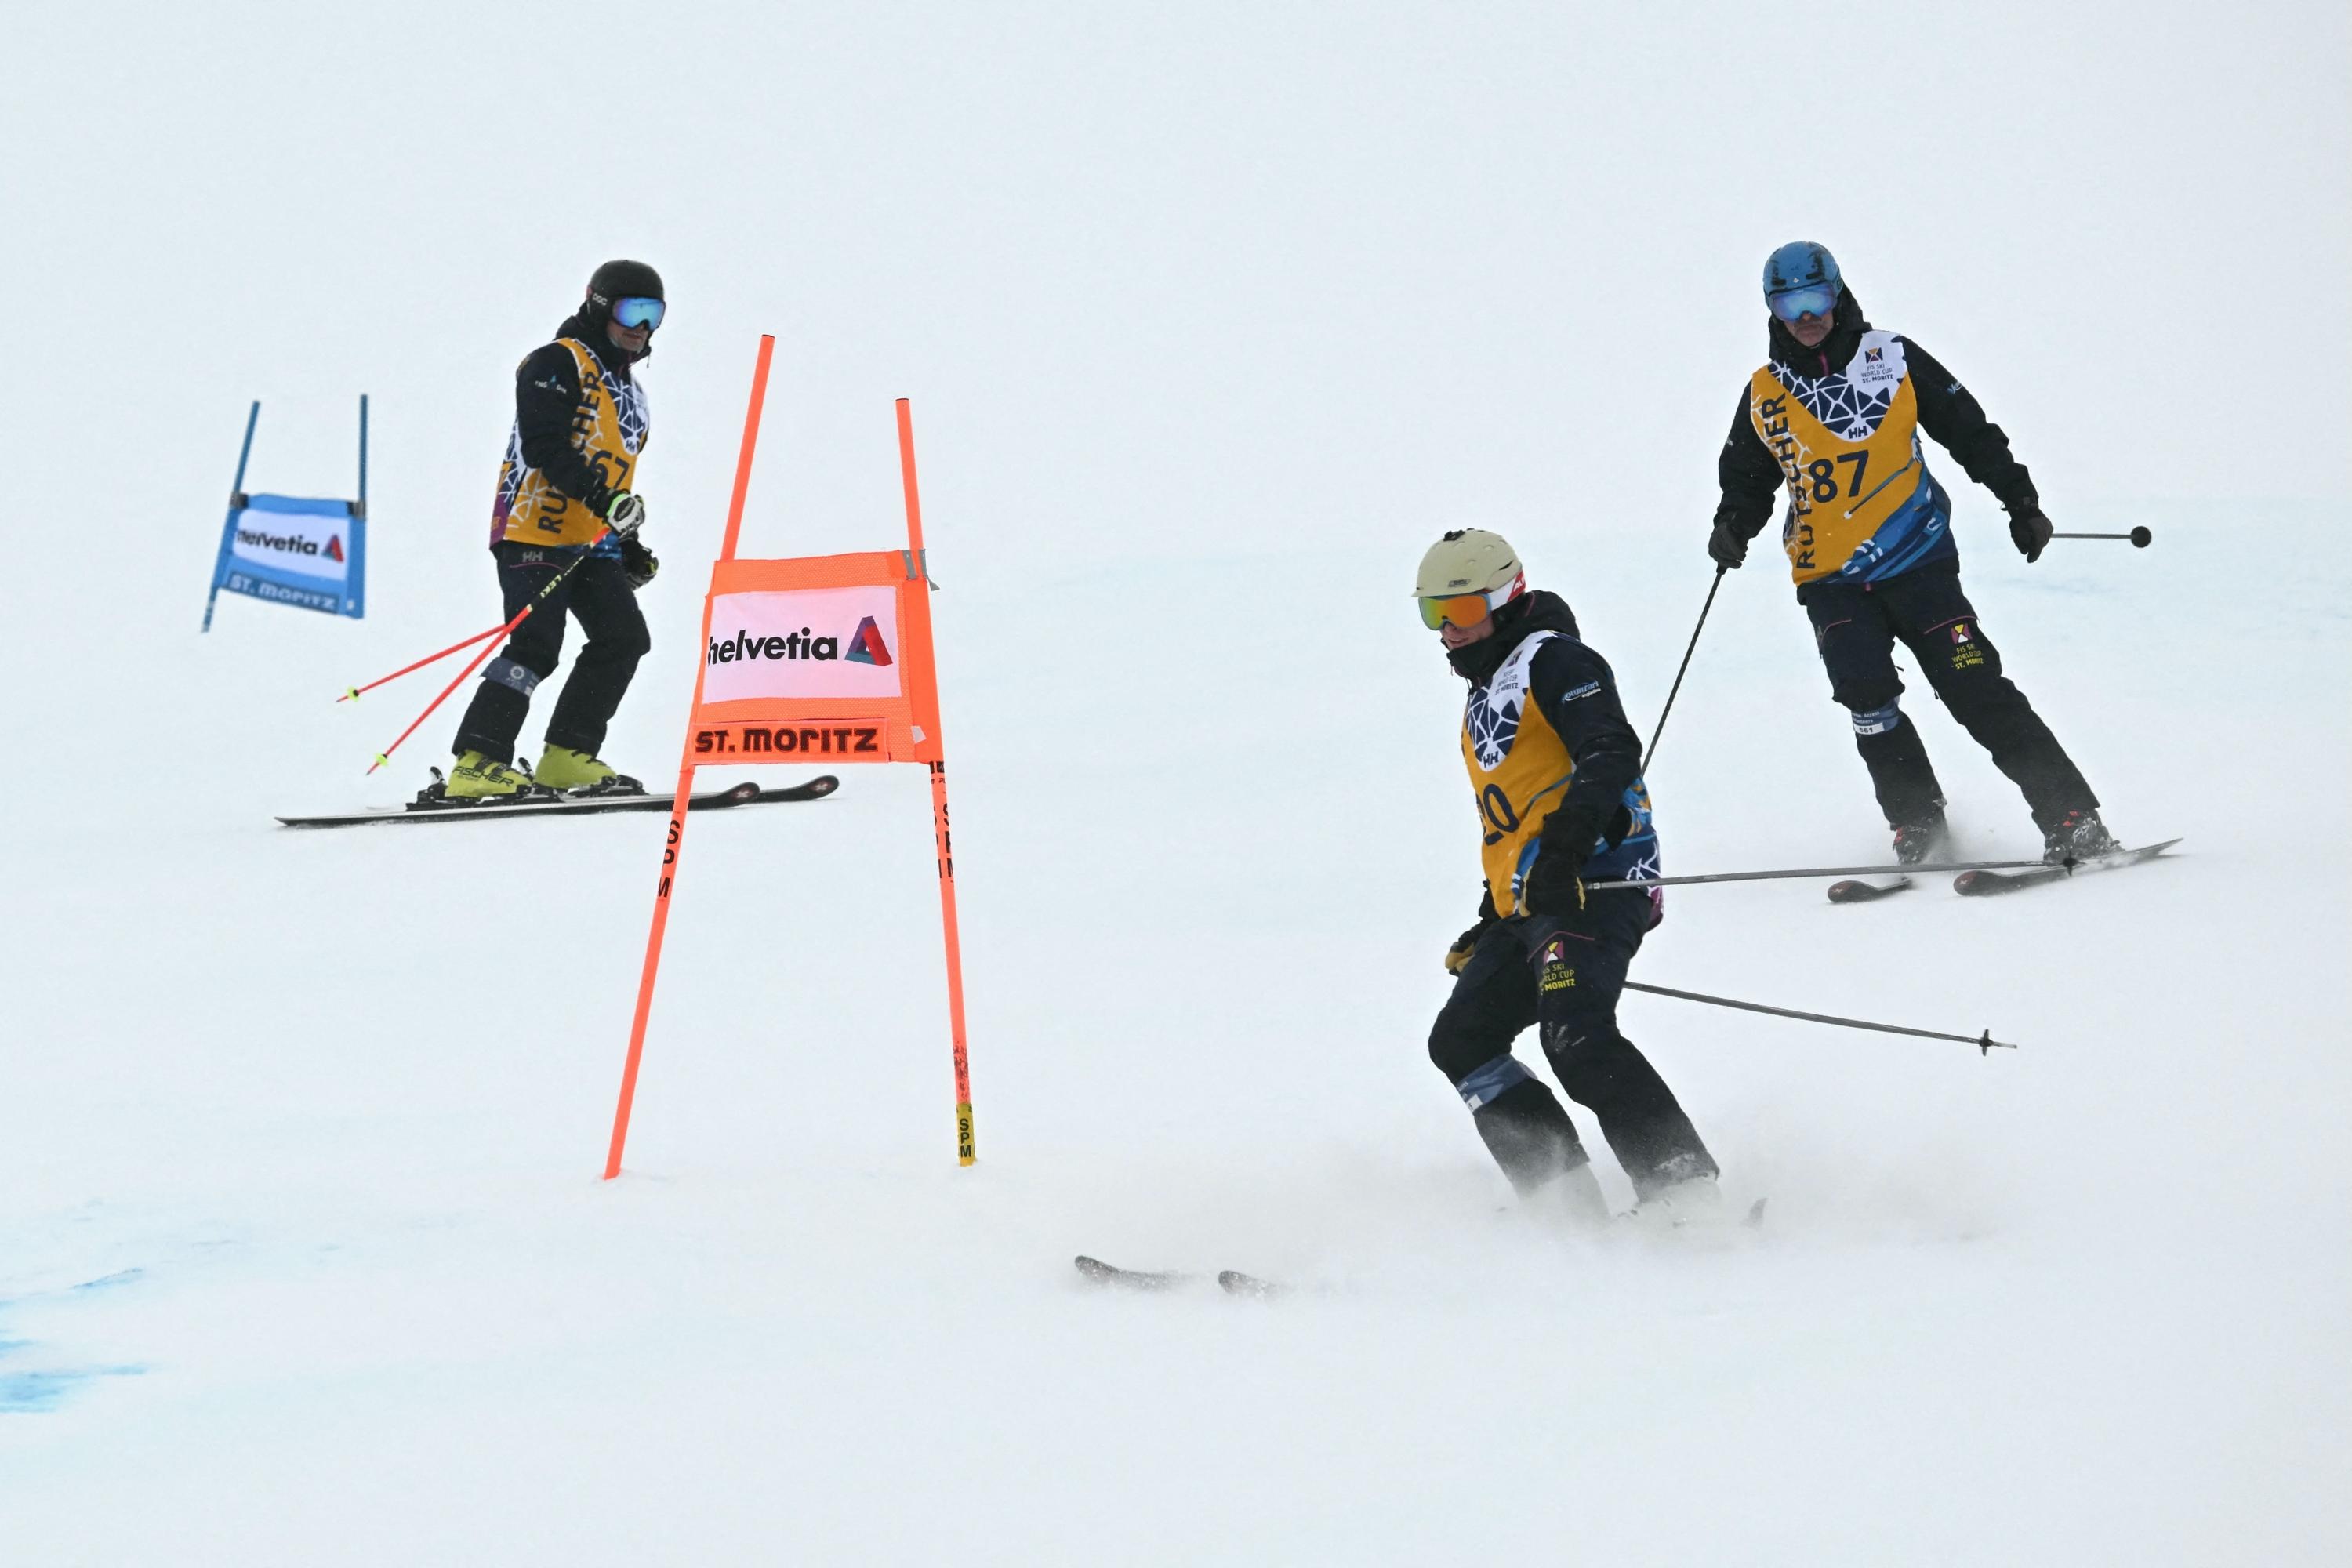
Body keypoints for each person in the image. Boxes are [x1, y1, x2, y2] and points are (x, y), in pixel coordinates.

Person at [1707, 241, 2117, 866]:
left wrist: (2020, 499)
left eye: (1815, 298)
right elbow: (1745, 476)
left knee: (1976, 688)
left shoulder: (1890, 357)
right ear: (1773, 309)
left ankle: (2072, 817)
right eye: (1788, 303)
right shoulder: (1764, 393)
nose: (1805, 315)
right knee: (1868, 704)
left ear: (1838, 293)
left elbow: (1967, 427)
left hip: (1918, 561)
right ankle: (1917, 822)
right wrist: (1733, 523)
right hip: (1830, 579)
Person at [1419, 528, 1720, 1226]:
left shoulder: (1554, 661)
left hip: (1599, 884)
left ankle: (1686, 1195)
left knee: (1576, 1034)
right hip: (1537, 900)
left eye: (1459, 613)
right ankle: (1563, 1202)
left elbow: (1610, 751)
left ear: (1504, 599)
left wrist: (1563, 855)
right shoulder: (1485, 689)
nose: (1445, 633)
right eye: (1431, 614)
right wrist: (1495, 913)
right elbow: (1516, 817)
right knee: (1461, 1041)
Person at [444, 259, 666, 800]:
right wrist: (605, 501)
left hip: (590, 542)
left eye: (654, 314)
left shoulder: (632, 394)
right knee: (535, 645)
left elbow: (612, 473)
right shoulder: (554, 362)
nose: (642, 327)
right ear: (598, 305)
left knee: (624, 639)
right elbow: (545, 446)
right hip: (532, 532)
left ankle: (567, 756)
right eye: (631, 310)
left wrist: (626, 541)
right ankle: (476, 762)